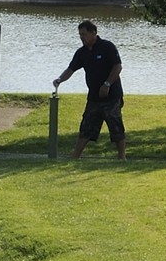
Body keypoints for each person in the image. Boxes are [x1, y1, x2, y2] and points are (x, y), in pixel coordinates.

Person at [53, 20, 126, 160]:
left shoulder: (107, 47)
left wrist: (107, 84)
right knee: (86, 126)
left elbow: (117, 67)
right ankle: (75, 157)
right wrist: (59, 79)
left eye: (84, 34)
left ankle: (122, 157)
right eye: (80, 35)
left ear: (93, 33)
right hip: (94, 97)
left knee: (115, 126)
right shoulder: (82, 52)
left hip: (111, 96)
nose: (82, 37)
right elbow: (71, 69)